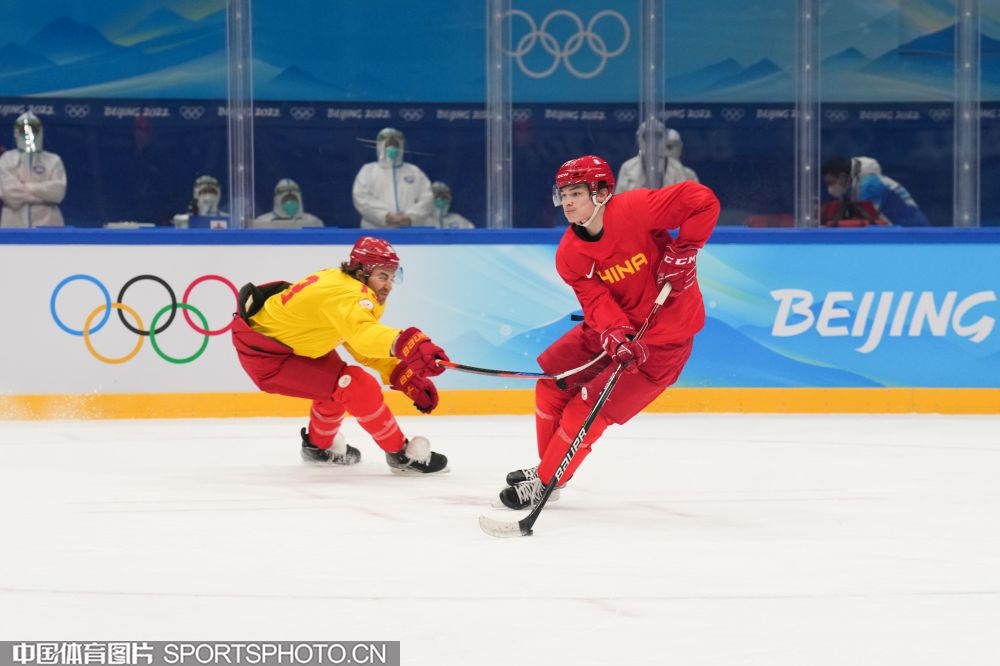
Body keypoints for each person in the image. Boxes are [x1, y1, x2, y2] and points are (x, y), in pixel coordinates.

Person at [496, 155, 718, 509]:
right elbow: (596, 300)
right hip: (610, 332)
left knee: (584, 409)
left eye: (575, 193)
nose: (567, 203)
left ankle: (547, 480)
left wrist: (686, 248)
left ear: (601, 192)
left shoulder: (636, 209)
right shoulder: (569, 254)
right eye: (563, 194)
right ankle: (550, 472)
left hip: (662, 344)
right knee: (552, 384)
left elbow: (702, 201)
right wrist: (614, 332)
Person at [230, 236, 450, 474]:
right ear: (362, 272)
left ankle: (318, 447)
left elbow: (356, 340)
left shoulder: (347, 285)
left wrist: (399, 372)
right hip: (268, 357)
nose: (389, 285)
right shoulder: (348, 294)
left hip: (298, 346)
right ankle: (402, 455)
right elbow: (363, 334)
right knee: (357, 386)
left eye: (392, 277)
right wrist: (406, 343)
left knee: (336, 387)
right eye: (382, 276)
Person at [352, 127, 433, 228]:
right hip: (376, 232)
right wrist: (385, 216)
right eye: (388, 145)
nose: (392, 149)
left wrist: (410, 217)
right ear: (380, 146)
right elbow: (361, 198)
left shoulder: (414, 172)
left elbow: (427, 197)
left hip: (408, 232)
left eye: (396, 145)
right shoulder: (368, 171)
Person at [0, 111, 67, 228]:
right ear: (16, 133)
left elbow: (58, 192)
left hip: (48, 222)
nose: (29, 135)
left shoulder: (53, 160)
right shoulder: (6, 159)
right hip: (14, 223)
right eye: (24, 131)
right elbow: (9, 194)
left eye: (33, 130)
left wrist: (26, 187)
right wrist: (43, 196)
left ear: (40, 131)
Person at [821, 155, 929, 227]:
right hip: (899, 229)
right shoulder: (851, 188)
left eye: (831, 183)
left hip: (913, 229)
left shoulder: (869, 184)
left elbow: (865, 220)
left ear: (842, 177)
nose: (830, 188)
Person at [616, 118, 698, 193]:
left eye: (657, 136)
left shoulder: (676, 167)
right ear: (640, 139)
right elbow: (619, 198)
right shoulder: (627, 167)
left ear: (664, 138)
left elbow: (685, 197)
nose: (652, 141)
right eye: (647, 136)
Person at [252, 178, 325, 229]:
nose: (290, 203)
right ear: (276, 199)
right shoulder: (261, 223)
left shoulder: (314, 222)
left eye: (292, 199)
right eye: (286, 200)